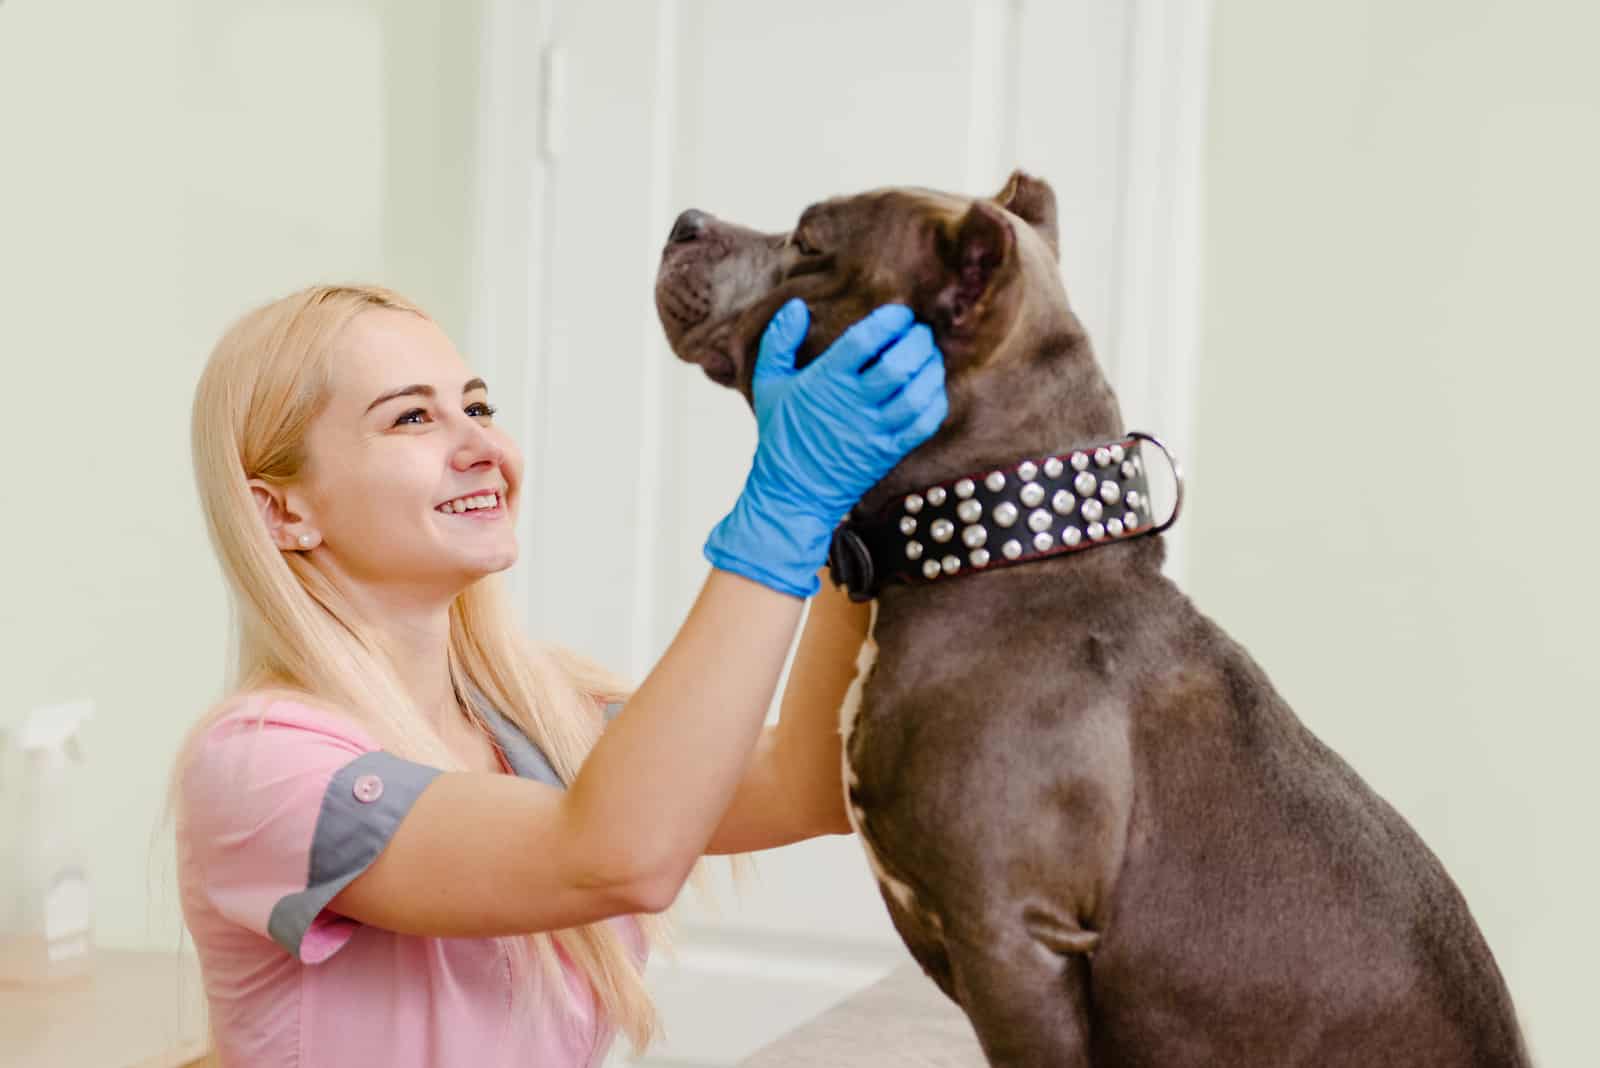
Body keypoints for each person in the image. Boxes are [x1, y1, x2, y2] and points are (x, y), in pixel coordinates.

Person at [166, 283, 947, 1066]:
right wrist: (784, 506)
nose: (482, 448)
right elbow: (616, 857)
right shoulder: (260, 763)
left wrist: (856, 511)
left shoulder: (546, 717)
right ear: (283, 513)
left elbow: (804, 783)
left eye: (477, 408)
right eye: (411, 417)